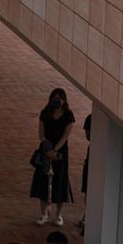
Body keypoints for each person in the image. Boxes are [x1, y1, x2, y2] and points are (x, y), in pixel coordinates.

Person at [30, 87, 76, 226]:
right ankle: (44, 213)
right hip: (45, 150)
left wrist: (55, 150)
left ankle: (58, 214)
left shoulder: (68, 115)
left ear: (64, 100)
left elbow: (65, 136)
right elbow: (41, 134)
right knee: (43, 180)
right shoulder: (45, 113)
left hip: (60, 153)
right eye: (54, 98)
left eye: (59, 99)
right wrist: (48, 149)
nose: (57, 101)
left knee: (60, 181)